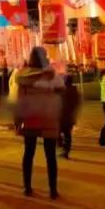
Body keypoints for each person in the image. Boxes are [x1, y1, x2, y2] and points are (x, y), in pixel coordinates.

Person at [14, 47, 63, 198]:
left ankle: (27, 187)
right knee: (51, 155)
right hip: (49, 116)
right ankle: (53, 190)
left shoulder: (22, 76)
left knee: (29, 153)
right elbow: (61, 91)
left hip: (31, 117)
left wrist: (17, 122)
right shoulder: (51, 75)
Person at [58, 75, 81, 159]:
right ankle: (66, 151)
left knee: (58, 132)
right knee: (68, 135)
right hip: (70, 116)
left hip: (61, 116)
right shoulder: (76, 92)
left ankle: (62, 147)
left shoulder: (62, 92)